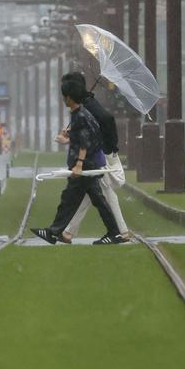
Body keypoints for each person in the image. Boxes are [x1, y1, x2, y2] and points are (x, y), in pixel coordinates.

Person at [30, 80, 125, 245]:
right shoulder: (82, 114)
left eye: (64, 96)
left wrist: (79, 163)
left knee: (72, 198)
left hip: (85, 165)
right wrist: (69, 135)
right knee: (92, 199)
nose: (63, 99)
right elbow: (88, 135)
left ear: (69, 98)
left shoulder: (80, 115)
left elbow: (85, 142)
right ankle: (113, 232)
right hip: (89, 164)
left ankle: (55, 232)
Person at [56, 71, 131, 243]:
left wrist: (108, 147)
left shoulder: (87, 105)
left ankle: (120, 231)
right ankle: (68, 232)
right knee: (95, 192)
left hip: (101, 155)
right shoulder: (84, 104)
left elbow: (106, 119)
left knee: (101, 190)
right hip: (99, 154)